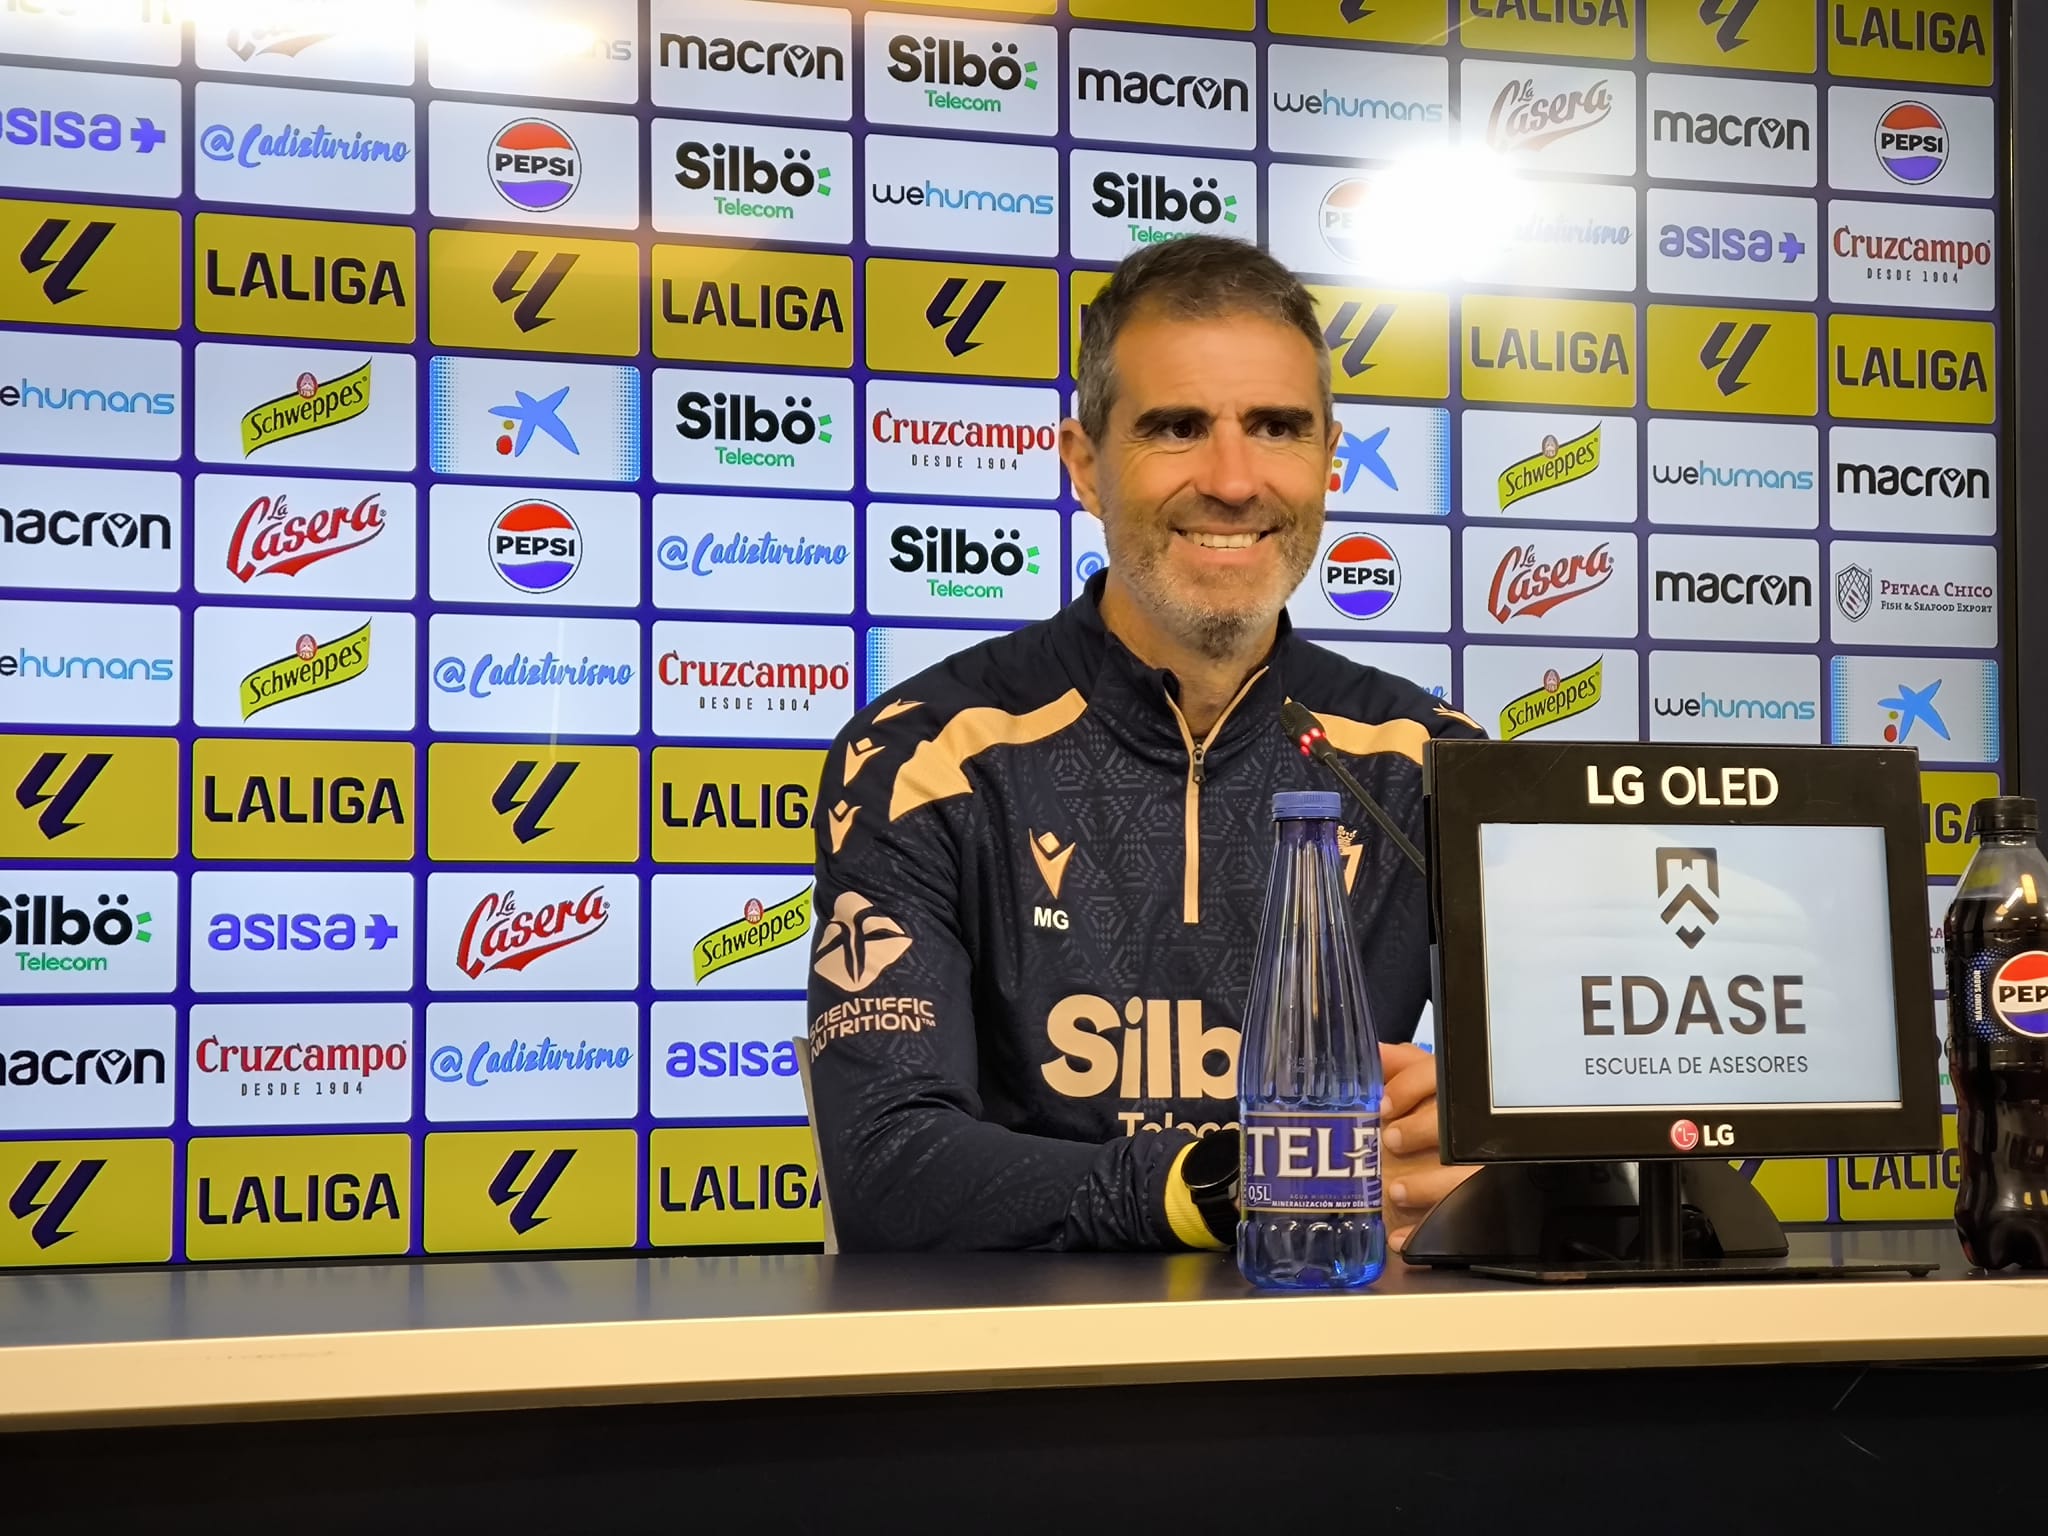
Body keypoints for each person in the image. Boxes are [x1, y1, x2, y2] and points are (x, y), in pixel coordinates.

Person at [806, 234, 1483, 1252]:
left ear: (1328, 460)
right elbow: (888, 1165)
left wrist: (1493, 1149)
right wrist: (1241, 1182)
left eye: (1276, 428)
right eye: (1175, 427)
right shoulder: (929, 752)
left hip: (1344, 1361)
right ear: (1085, 465)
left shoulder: (1424, 757)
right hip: (1010, 1380)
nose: (1231, 478)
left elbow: (1601, 1121)